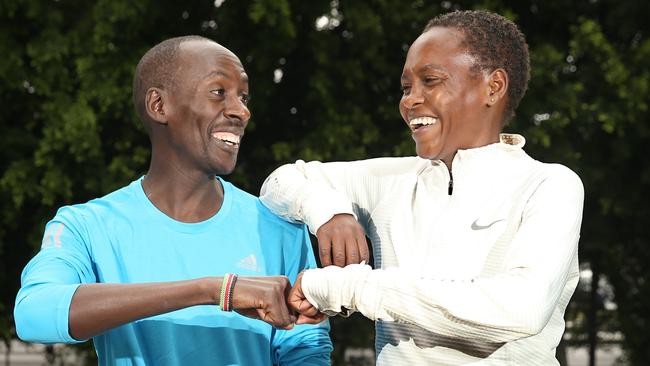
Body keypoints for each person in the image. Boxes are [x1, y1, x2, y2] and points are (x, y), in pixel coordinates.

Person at [260, 10, 583, 365]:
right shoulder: (391, 180)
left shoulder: (550, 185)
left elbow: (520, 309)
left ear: (494, 87)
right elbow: (279, 182)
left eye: (431, 81)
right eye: (406, 87)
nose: (410, 100)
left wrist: (345, 287)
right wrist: (326, 210)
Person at [14, 36, 332, 366]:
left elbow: (307, 351)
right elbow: (34, 312)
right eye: (219, 92)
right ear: (159, 106)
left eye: (244, 97)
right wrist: (214, 291)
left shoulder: (281, 229)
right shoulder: (86, 226)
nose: (242, 111)